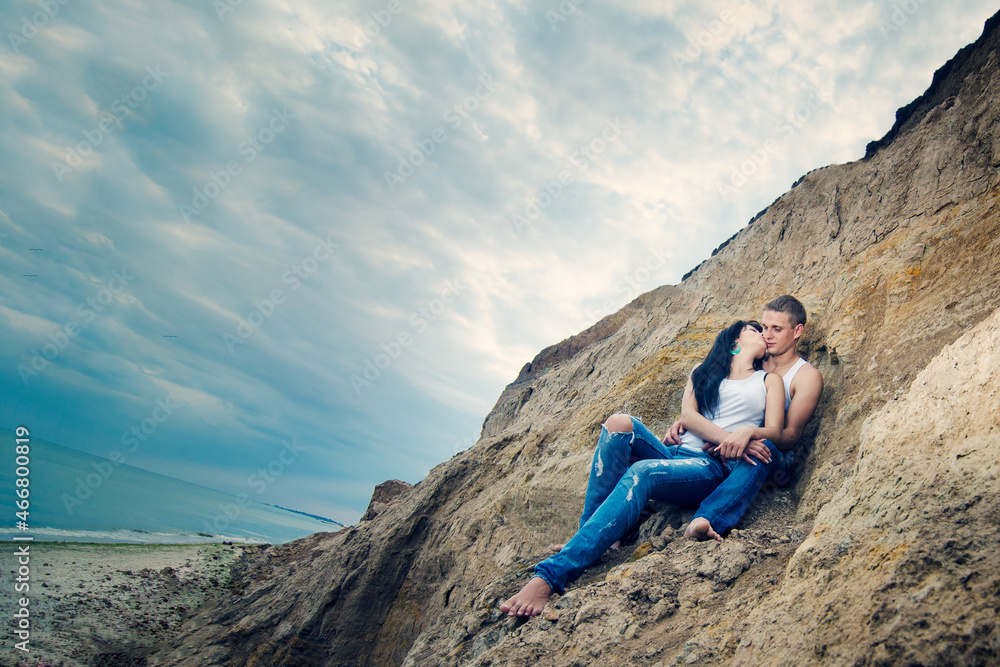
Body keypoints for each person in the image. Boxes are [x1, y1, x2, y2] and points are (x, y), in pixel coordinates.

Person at [501, 319, 785, 617]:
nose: (763, 334)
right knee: (618, 423)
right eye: (754, 330)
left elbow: (776, 431)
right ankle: (592, 534)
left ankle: (549, 576)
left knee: (643, 472)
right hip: (672, 452)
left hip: (708, 465)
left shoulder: (768, 381)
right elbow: (688, 418)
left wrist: (742, 438)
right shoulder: (701, 374)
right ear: (733, 342)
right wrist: (728, 436)